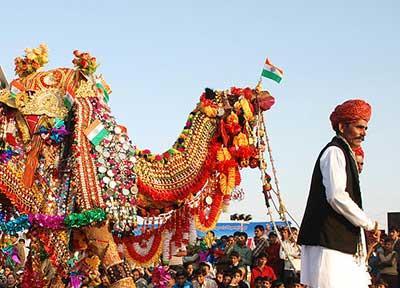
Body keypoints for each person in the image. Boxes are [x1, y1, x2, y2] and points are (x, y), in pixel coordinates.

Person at [298, 99, 380, 288]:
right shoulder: (334, 152)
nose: (363, 134)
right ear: (342, 126)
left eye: (365, 129)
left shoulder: (344, 153)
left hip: (340, 243)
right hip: (329, 244)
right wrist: (368, 223)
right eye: (360, 127)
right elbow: (336, 196)